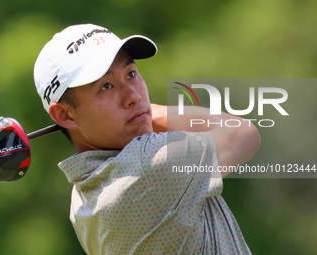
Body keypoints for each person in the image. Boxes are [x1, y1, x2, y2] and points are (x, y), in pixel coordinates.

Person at [33, 23, 261, 255]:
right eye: (106, 86)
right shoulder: (150, 166)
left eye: (130, 74)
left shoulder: (81, 197)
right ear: (64, 114)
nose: (133, 95)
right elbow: (242, 133)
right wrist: (145, 111)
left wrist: (134, 113)